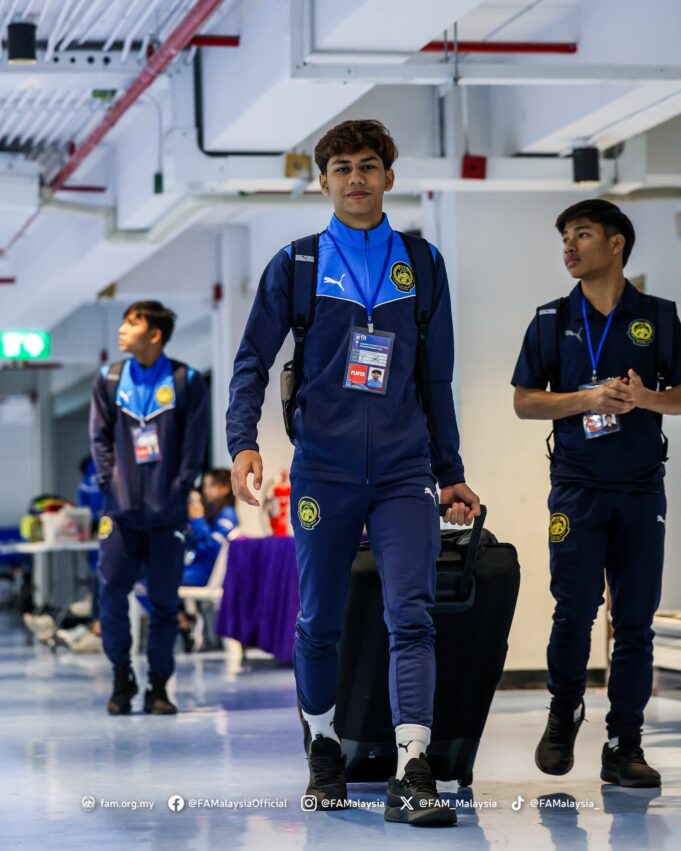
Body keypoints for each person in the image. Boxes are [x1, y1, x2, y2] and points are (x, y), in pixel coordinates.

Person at [227, 119, 479, 827]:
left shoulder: (421, 264)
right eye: (340, 168)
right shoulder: (297, 265)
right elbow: (251, 360)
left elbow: (437, 377)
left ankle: (413, 766)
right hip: (323, 472)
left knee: (411, 613)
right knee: (317, 620)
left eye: (368, 165)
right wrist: (241, 441)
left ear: (389, 178)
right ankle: (325, 750)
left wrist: (449, 470)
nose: (355, 178)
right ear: (322, 181)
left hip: (403, 472)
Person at [512, 199, 681, 788]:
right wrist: (584, 400)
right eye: (564, 235)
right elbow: (525, 400)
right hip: (577, 489)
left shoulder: (659, 317)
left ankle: (624, 742)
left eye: (581, 234)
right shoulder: (551, 319)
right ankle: (564, 713)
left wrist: (645, 399)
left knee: (635, 623)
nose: (568, 245)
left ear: (616, 245)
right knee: (575, 610)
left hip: (639, 491)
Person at [90, 301, 208, 715]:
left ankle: (158, 686)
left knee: (164, 602)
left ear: (154, 335)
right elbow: (100, 441)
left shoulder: (186, 380)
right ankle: (121, 676)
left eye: (132, 323)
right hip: (120, 514)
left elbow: (194, 447)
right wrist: (110, 485)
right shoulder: (109, 379)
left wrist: (176, 493)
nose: (122, 329)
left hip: (167, 514)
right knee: (111, 592)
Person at [178, 470, 239, 650]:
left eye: (212, 485)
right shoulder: (210, 512)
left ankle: (185, 621)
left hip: (207, 573)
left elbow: (212, 548)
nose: (206, 490)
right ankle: (185, 620)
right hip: (195, 568)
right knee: (146, 580)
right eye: (205, 485)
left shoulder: (227, 514)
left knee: (152, 582)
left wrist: (197, 521)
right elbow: (192, 543)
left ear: (225, 488)